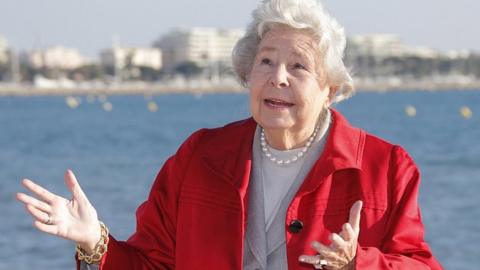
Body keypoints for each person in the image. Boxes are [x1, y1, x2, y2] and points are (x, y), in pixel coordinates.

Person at [16, 0, 443, 269]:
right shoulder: (199, 156)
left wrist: (359, 265)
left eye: (298, 67)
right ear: (247, 73)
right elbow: (153, 264)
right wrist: (96, 242)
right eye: (265, 62)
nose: (277, 78)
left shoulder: (385, 166)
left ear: (330, 88)